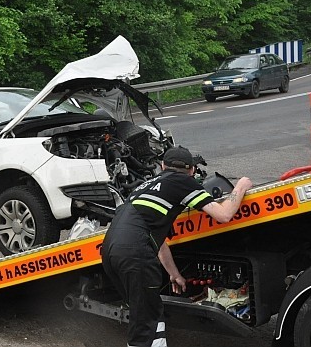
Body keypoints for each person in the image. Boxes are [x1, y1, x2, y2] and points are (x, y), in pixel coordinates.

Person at [101, 145, 253, 347]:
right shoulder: (184, 182)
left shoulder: (144, 187)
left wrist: (173, 273)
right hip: (135, 255)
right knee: (146, 325)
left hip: (111, 252)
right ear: (191, 170)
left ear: (163, 166)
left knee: (147, 313)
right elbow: (223, 214)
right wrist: (241, 186)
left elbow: (157, 238)